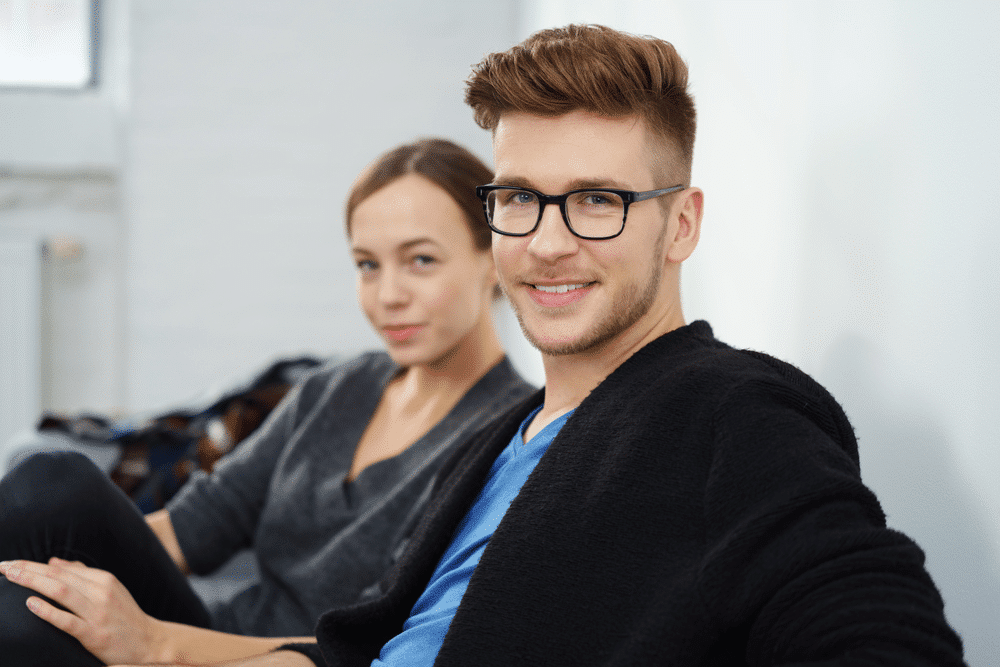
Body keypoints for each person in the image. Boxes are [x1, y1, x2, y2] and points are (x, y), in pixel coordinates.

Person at [275, 24, 962, 666]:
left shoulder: (731, 412)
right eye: (518, 198)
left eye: (598, 200)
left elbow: (884, 636)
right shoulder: (491, 440)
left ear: (681, 225)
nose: (546, 244)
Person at [0, 138, 535, 666]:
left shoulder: (508, 440)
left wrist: (150, 643)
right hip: (202, 629)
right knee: (52, 480)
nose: (387, 295)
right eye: (367, 265)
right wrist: (79, 575)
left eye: (420, 260)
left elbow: (371, 645)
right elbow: (200, 524)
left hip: (269, 660)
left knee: (20, 628)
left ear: (492, 258)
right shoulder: (338, 387)